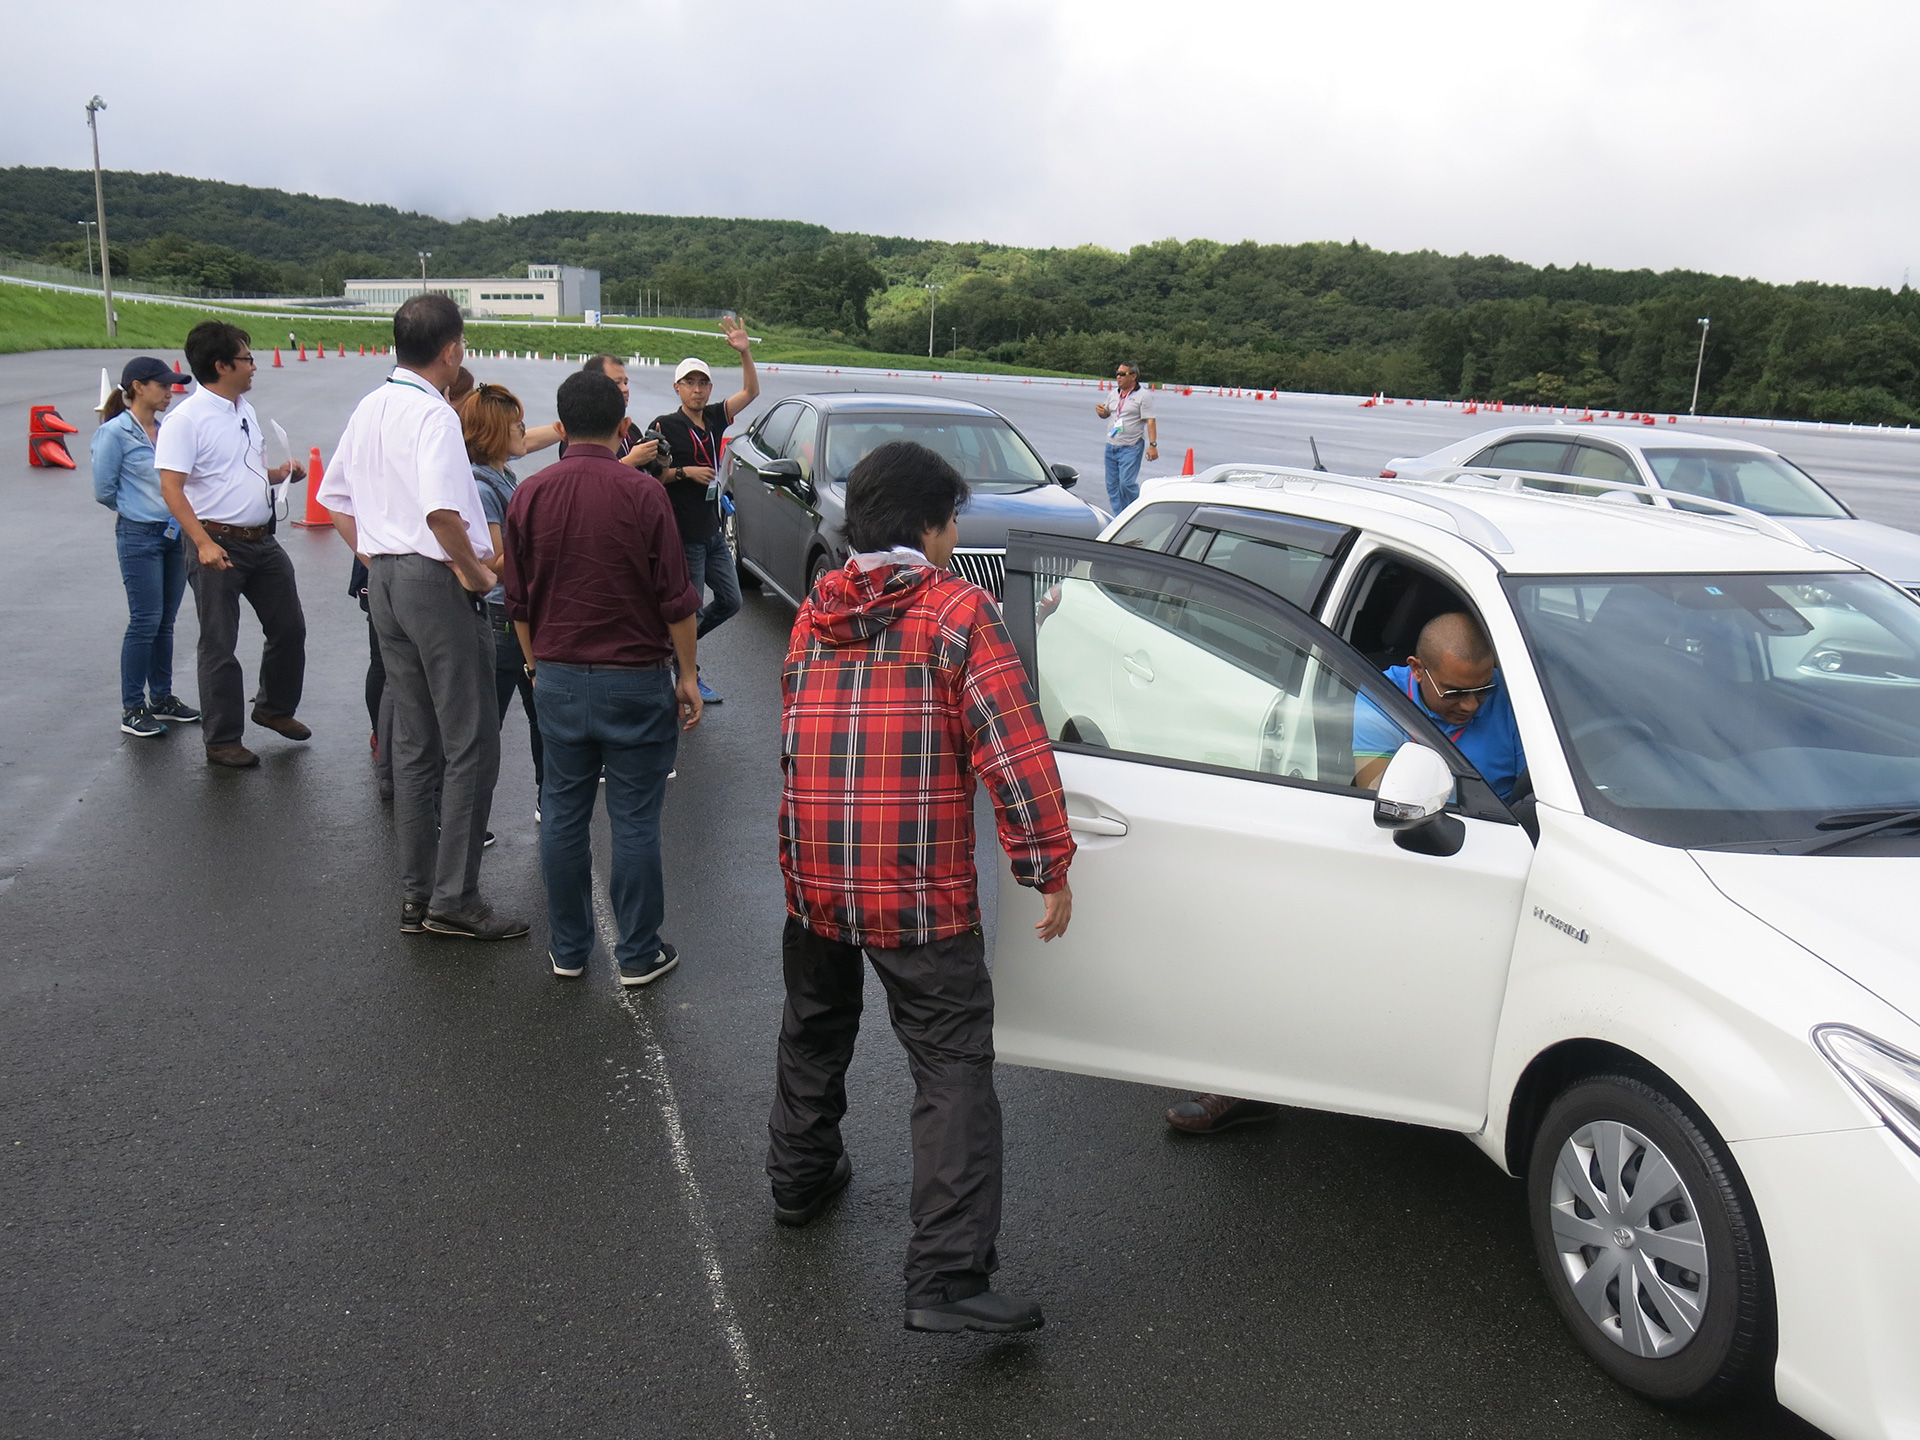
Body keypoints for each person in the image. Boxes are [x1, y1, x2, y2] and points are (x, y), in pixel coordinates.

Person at [767, 440, 1076, 1335]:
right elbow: (1013, 750)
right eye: (949, 525)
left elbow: (796, 730)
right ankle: (946, 1276)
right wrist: (1044, 863)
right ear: (932, 526)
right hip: (917, 884)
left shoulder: (815, 609)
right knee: (948, 1064)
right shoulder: (956, 613)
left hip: (814, 869)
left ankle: (797, 1178)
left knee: (814, 1026)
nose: (951, 542)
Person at [1164, 610, 1527, 1136]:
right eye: (1456, 693)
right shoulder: (1386, 698)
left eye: (1482, 691)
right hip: (1404, 843)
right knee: (1298, 953)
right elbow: (1381, 787)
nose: (1472, 705)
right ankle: (1245, 1083)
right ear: (1416, 670)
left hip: (1492, 854)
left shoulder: (1509, 705)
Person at [318, 293, 526, 942]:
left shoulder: (373, 404)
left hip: (384, 578)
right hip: (433, 580)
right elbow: (442, 512)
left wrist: (376, 549)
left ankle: (416, 895)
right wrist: (473, 570)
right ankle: (455, 898)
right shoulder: (433, 415)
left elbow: (333, 497)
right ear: (451, 349)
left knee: (413, 744)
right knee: (471, 742)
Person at [501, 369, 702, 984]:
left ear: (559, 428)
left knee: (562, 813)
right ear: (623, 427)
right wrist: (688, 677)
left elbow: (517, 601)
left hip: (558, 676)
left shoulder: (529, 493)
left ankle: (567, 949)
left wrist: (537, 665)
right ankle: (639, 953)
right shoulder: (643, 493)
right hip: (636, 678)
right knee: (635, 818)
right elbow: (677, 598)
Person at [157, 322, 309, 769]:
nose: (253, 366)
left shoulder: (243, 409)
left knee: (289, 629)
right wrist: (201, 542)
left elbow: (239, 470)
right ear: (220, 365)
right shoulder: (187, 419)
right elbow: (171, 487)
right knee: (219, 643)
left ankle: (274, 707)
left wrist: (280, 474)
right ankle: (222, 738)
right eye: (246, 359)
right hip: (216, 540)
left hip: (261, 540)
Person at [648, 318, 759, 702]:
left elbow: (751, 391)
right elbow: (651, 478)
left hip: (712, 532)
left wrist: (744, 351)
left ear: (709, 387)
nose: (697, 390)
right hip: (685, 535)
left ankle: (673, 651)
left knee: (731, 601)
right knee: (688, 610)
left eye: (703, 383)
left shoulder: (713, 416)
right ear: (677, 387)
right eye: (689, 383)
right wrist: (684, 472)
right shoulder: (664, 425)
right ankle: (686, 672)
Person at [91, 356, 202, 738]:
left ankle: (162, 697)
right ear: (138, 386)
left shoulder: (167, 428)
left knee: (165, 622)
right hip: (139, 535)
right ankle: (132, 706)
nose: (170, 391)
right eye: (162, 385)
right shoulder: (115, 432)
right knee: (144, 620)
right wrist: (138, 510)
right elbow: (104, 490)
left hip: (175, 532)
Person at [461, 382, 544, 821]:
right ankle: (462, 817)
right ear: (494, 432)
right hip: (501, 617)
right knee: (485, 727)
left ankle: (548, 802)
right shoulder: (482, 485)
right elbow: (494, 561)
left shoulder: (503, 477)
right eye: (516, 425)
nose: (524, 432)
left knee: (541, 717)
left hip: (517, 614)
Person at [557, 355, 660, 470]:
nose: (625, 389)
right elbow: (585, 476)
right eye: (616, 383)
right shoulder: (581, 433)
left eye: (625, 383)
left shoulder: (631, 430)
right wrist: (631, 460)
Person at [1092, 361, 1158, 514]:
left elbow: (1150, 420)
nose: (1118, 377)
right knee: (1112, 486)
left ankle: (1138, 510)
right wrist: (1101, 412)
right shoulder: (1114, 394)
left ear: (1133, 376)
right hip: (1112, 445)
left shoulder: (1143, 396)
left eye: (1122, 374)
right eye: (1117, 374)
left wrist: (1153, 445)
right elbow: (1107, 412)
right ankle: (1120, 516)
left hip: (1131, 446)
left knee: (1126, 484)